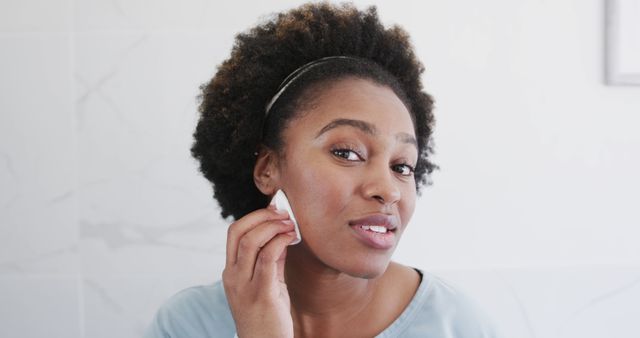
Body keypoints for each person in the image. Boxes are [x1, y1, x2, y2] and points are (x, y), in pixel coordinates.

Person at [144, 2, 501, 337]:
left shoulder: (456, 326)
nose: (389, 189)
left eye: (402, 166)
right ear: (268, 168)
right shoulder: (189, 325)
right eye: (347, 152)